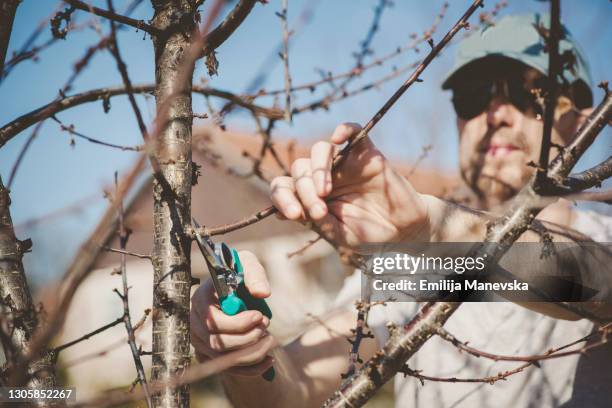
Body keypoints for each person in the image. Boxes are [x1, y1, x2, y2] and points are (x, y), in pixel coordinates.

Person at [190, 14, 612, 408]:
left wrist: (430, 229)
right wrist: (246, 358)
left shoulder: (606, 234)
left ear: (581, 121)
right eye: (474, 95)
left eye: (528, 92)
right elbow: (292, 388)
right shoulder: (412, 265)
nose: (495, 113)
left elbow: (597, 284)